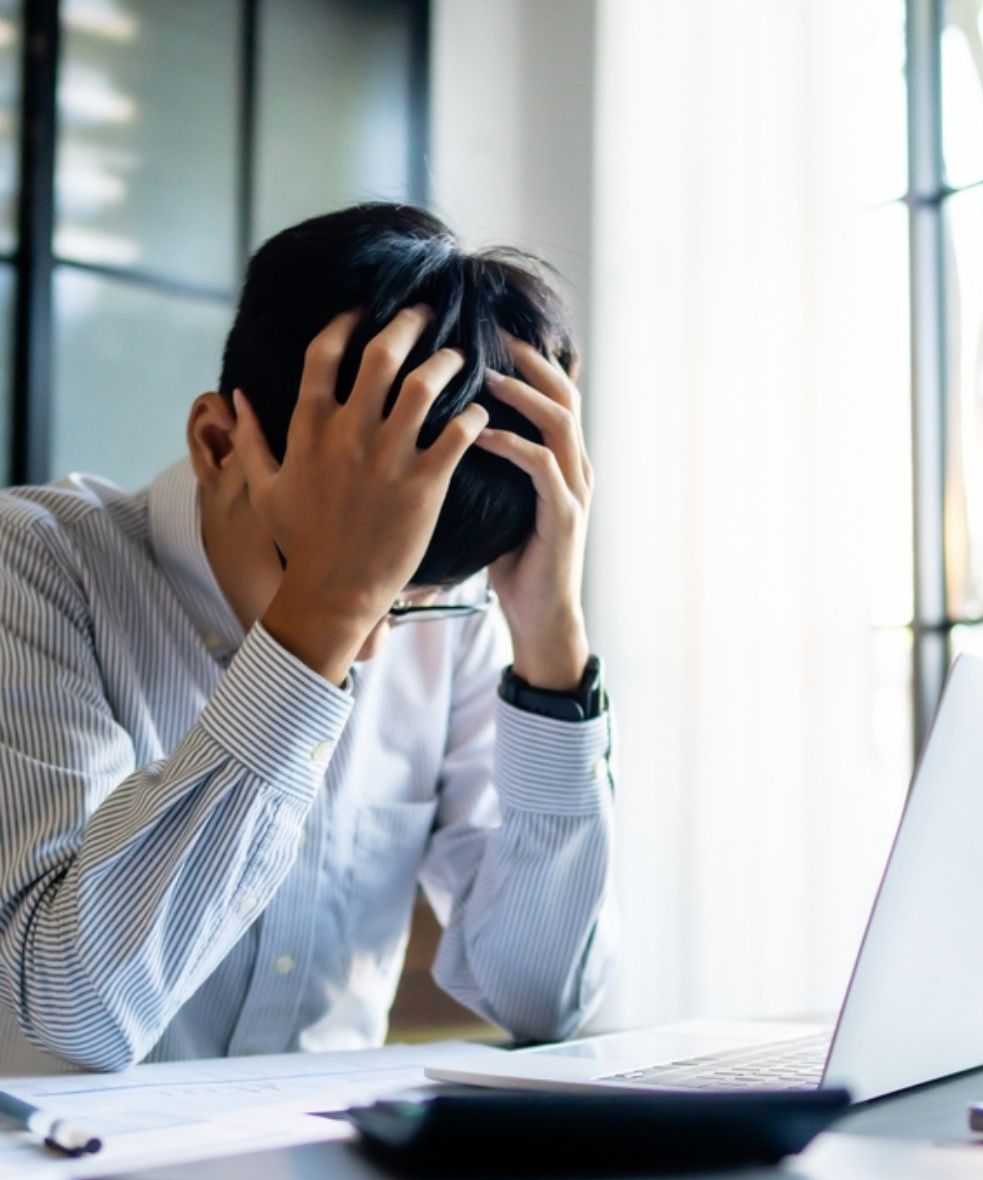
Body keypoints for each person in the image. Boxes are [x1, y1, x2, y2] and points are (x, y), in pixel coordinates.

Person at [0, 202, 615, 1074]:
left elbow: (543, 1000)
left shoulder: (451, 614)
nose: (369, 650)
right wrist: (319, 616)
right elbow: (76, 1009)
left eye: (404, 601)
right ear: (220, 444)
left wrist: (551, 640)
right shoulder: (29, 569)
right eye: (330, 566)